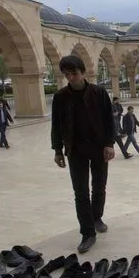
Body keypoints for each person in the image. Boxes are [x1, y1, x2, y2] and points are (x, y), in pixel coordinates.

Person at [51, 55, 116, 254]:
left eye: (74, 74)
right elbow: (57, 125)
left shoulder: (99, 93)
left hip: (98, 148)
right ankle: (87, 233)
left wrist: (109, 144)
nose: (71, 78)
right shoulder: (61, 97)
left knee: (99, 187)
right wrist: (58, 150)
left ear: (83, 72)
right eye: (67, 75)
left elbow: (109, 120)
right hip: (75, 150)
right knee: (81, 193)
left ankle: (96, 217)